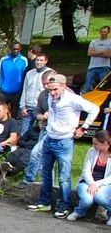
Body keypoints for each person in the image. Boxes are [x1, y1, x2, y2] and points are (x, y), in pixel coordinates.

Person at [27, 74, 100, 217]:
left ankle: (63, 206)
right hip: (49, 138)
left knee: (64, 177)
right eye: (50, 90)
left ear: (63, 86)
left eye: (55, 89)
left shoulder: (73, 99)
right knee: (45, 173)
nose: (52, 93)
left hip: (64, 141)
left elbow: (94, 109)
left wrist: (83, 128)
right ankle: (45, 202)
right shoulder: (50, 97)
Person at [66, 130, 111, 223]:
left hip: (106, 184)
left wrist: (96, 184)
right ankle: (79, 212)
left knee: (100, 198)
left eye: (96, 144)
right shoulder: (91, 151)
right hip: (87, 181)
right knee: (87, 199)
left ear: (105, 143)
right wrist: (91, 183)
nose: (93, 146)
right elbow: (86, 170)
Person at [19, 52, 49, 135]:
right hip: (28, 108)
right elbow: (25, 90)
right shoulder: (29, 73)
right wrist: (22, 106)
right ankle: (22, 147)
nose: (38, 62)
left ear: (46, 61)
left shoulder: (50, 73)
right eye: (37, 60)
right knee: (24, 132)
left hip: (41, 109)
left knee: (41, 132)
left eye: (41, 60)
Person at [0, 42, 27, 113]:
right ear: (10, 49)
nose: (15, 51)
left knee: (14, 113)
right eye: (14, 49)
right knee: (2, 112)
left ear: (20, 49)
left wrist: (21, 89)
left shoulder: (24, 60)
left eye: (17, 49)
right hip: (4, 92)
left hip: (17, 92)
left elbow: (25, 76)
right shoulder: (4, 59)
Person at [82, 25, 111, 93]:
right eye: (102, 31)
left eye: (105, 32)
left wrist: (95, 52)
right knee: (87, 86)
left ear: (108, 33)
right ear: (100, 32)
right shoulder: (94, 42)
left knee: (104, 87)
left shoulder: (110, 42)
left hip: (104, 67)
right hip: (92, 67)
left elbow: (109, 55)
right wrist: (102, 52)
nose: (103, 33)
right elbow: (89, 53)